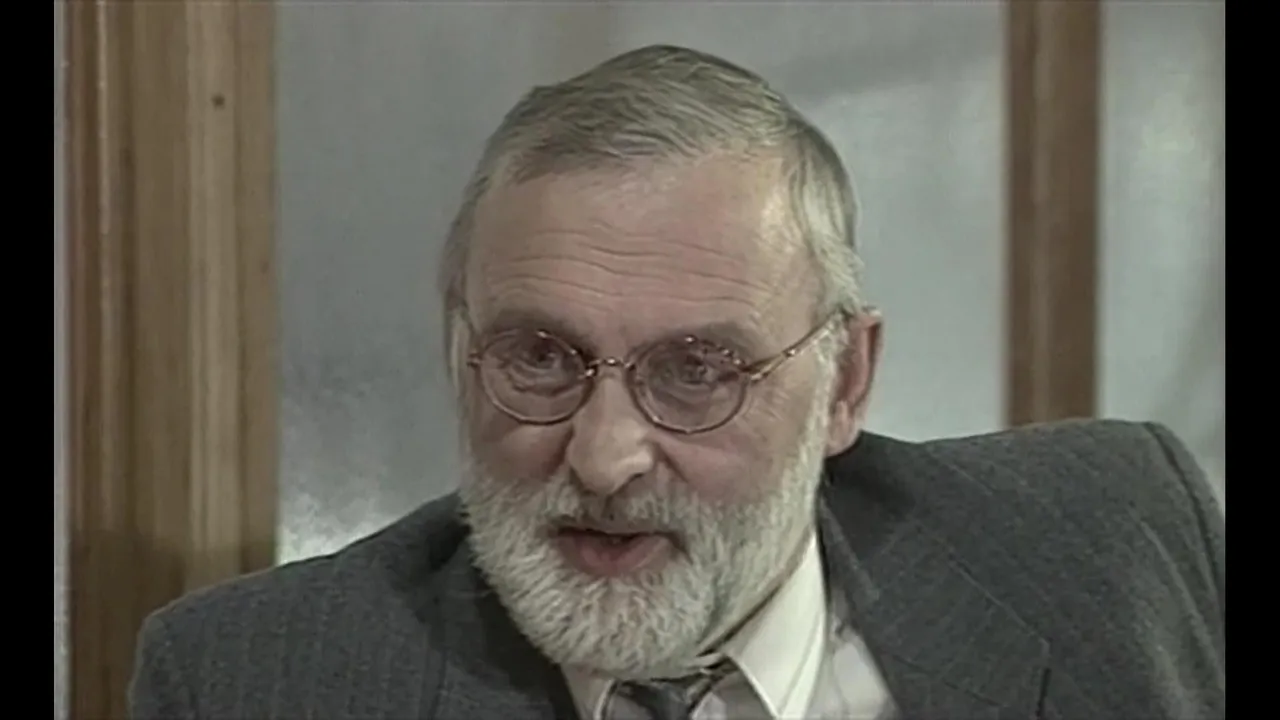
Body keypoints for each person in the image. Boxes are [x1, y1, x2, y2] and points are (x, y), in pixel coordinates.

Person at [129, 45, 1225, 720]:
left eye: (697, 371)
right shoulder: (257, 681)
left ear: (844, 383)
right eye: (540, 358)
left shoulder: (1113, 541)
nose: (605, 457)